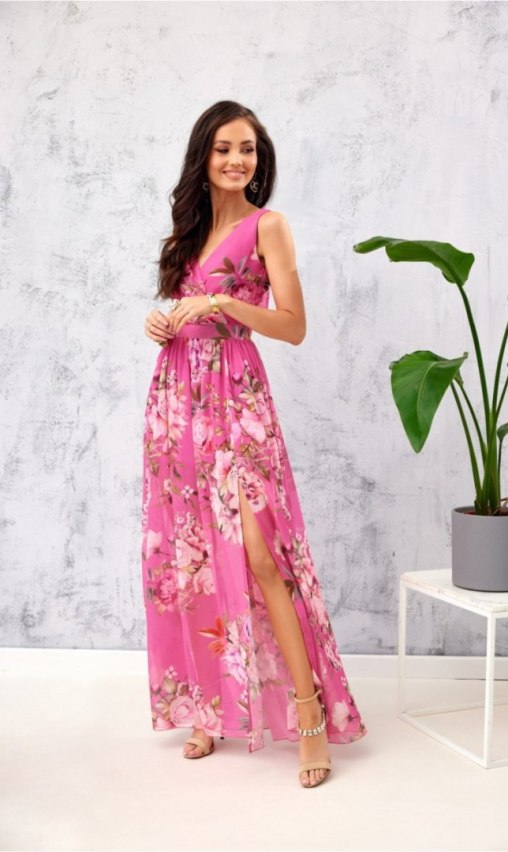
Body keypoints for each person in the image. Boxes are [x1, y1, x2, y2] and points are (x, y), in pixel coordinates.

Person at [141, 100, 367, 789]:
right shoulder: (190, 231)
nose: (238, 160)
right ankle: (210, 707)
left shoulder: (270, 226)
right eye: (224, 149)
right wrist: (163, 322)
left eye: (248, 149)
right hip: (177, 401)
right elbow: (187, 311)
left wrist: (222, 305)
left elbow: (293, 325)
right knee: (194, 558)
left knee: (262, 555)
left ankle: (309, 714)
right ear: (202, 158)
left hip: (236, 402)